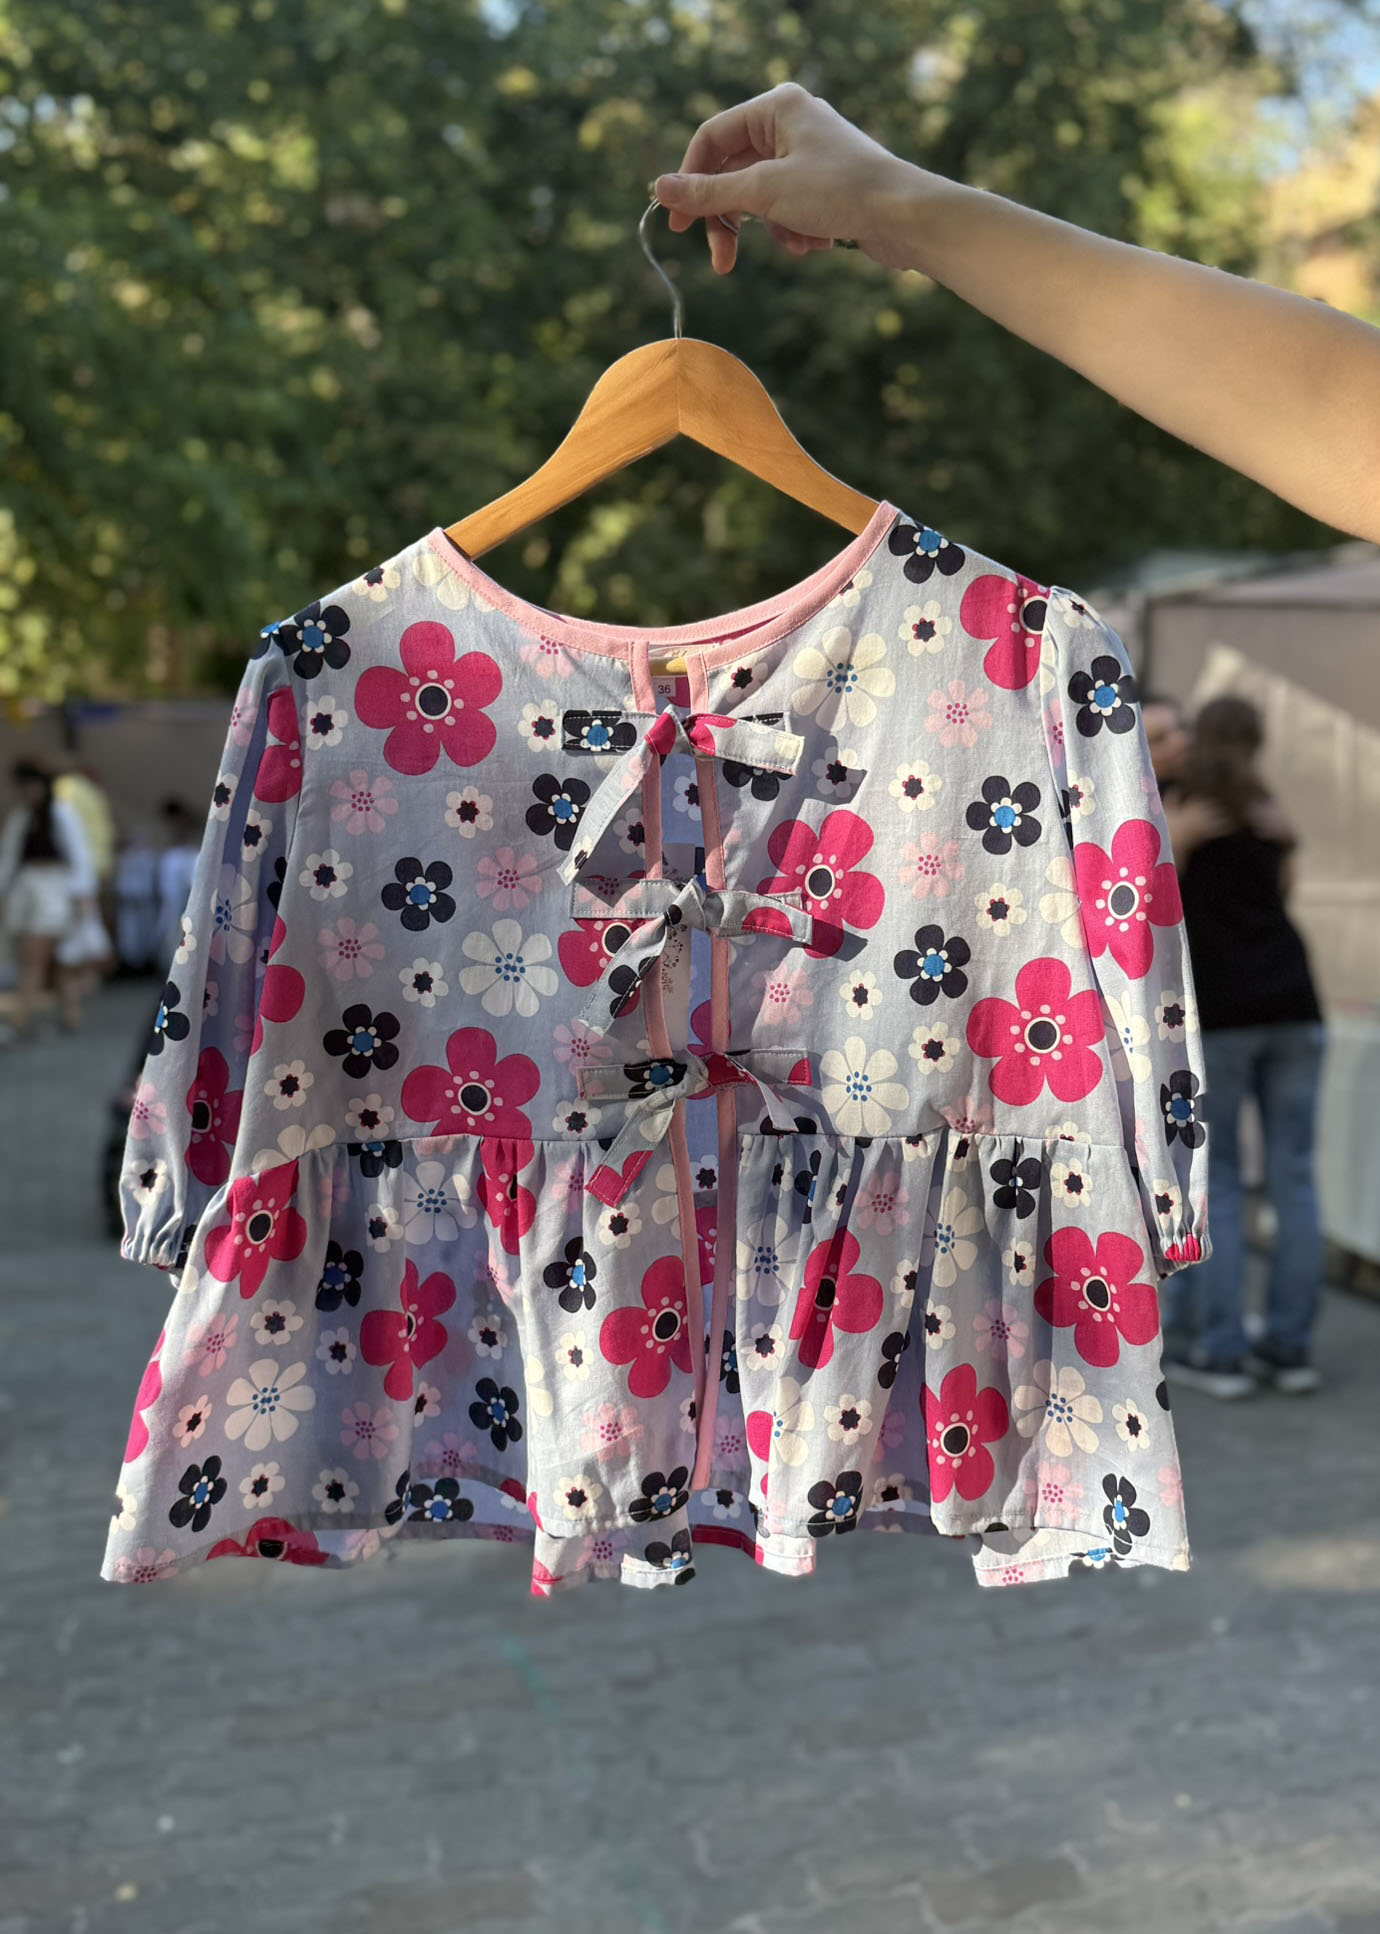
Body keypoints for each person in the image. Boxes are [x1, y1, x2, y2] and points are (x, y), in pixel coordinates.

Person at [652, 84, 1380, 548]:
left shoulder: (1029, 657)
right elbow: (1339, 416)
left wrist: (886, 204)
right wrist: (884, 205)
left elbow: (1340, 419)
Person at [1162, 696, 1326, 1397]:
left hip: (1224, 1012)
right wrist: (1288, 843)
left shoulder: (1182, 807)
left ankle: (1221, 1351)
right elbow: (1284, 895)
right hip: (1294, 1004)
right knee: (1294, 1175)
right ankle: (1290, 1350)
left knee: (1221, 1179)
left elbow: (1152, 896)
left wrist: (1178, 840)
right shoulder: (1268, 812)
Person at [0, 757, 99, 1040]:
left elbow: (79, 855)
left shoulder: (60, 813)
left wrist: (83, 896)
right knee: (56, 962)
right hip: (28, 894)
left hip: (54, 894)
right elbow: (8, 860)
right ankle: (70, 1015)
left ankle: (19, 1020)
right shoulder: (22, 817)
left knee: (34, 957)